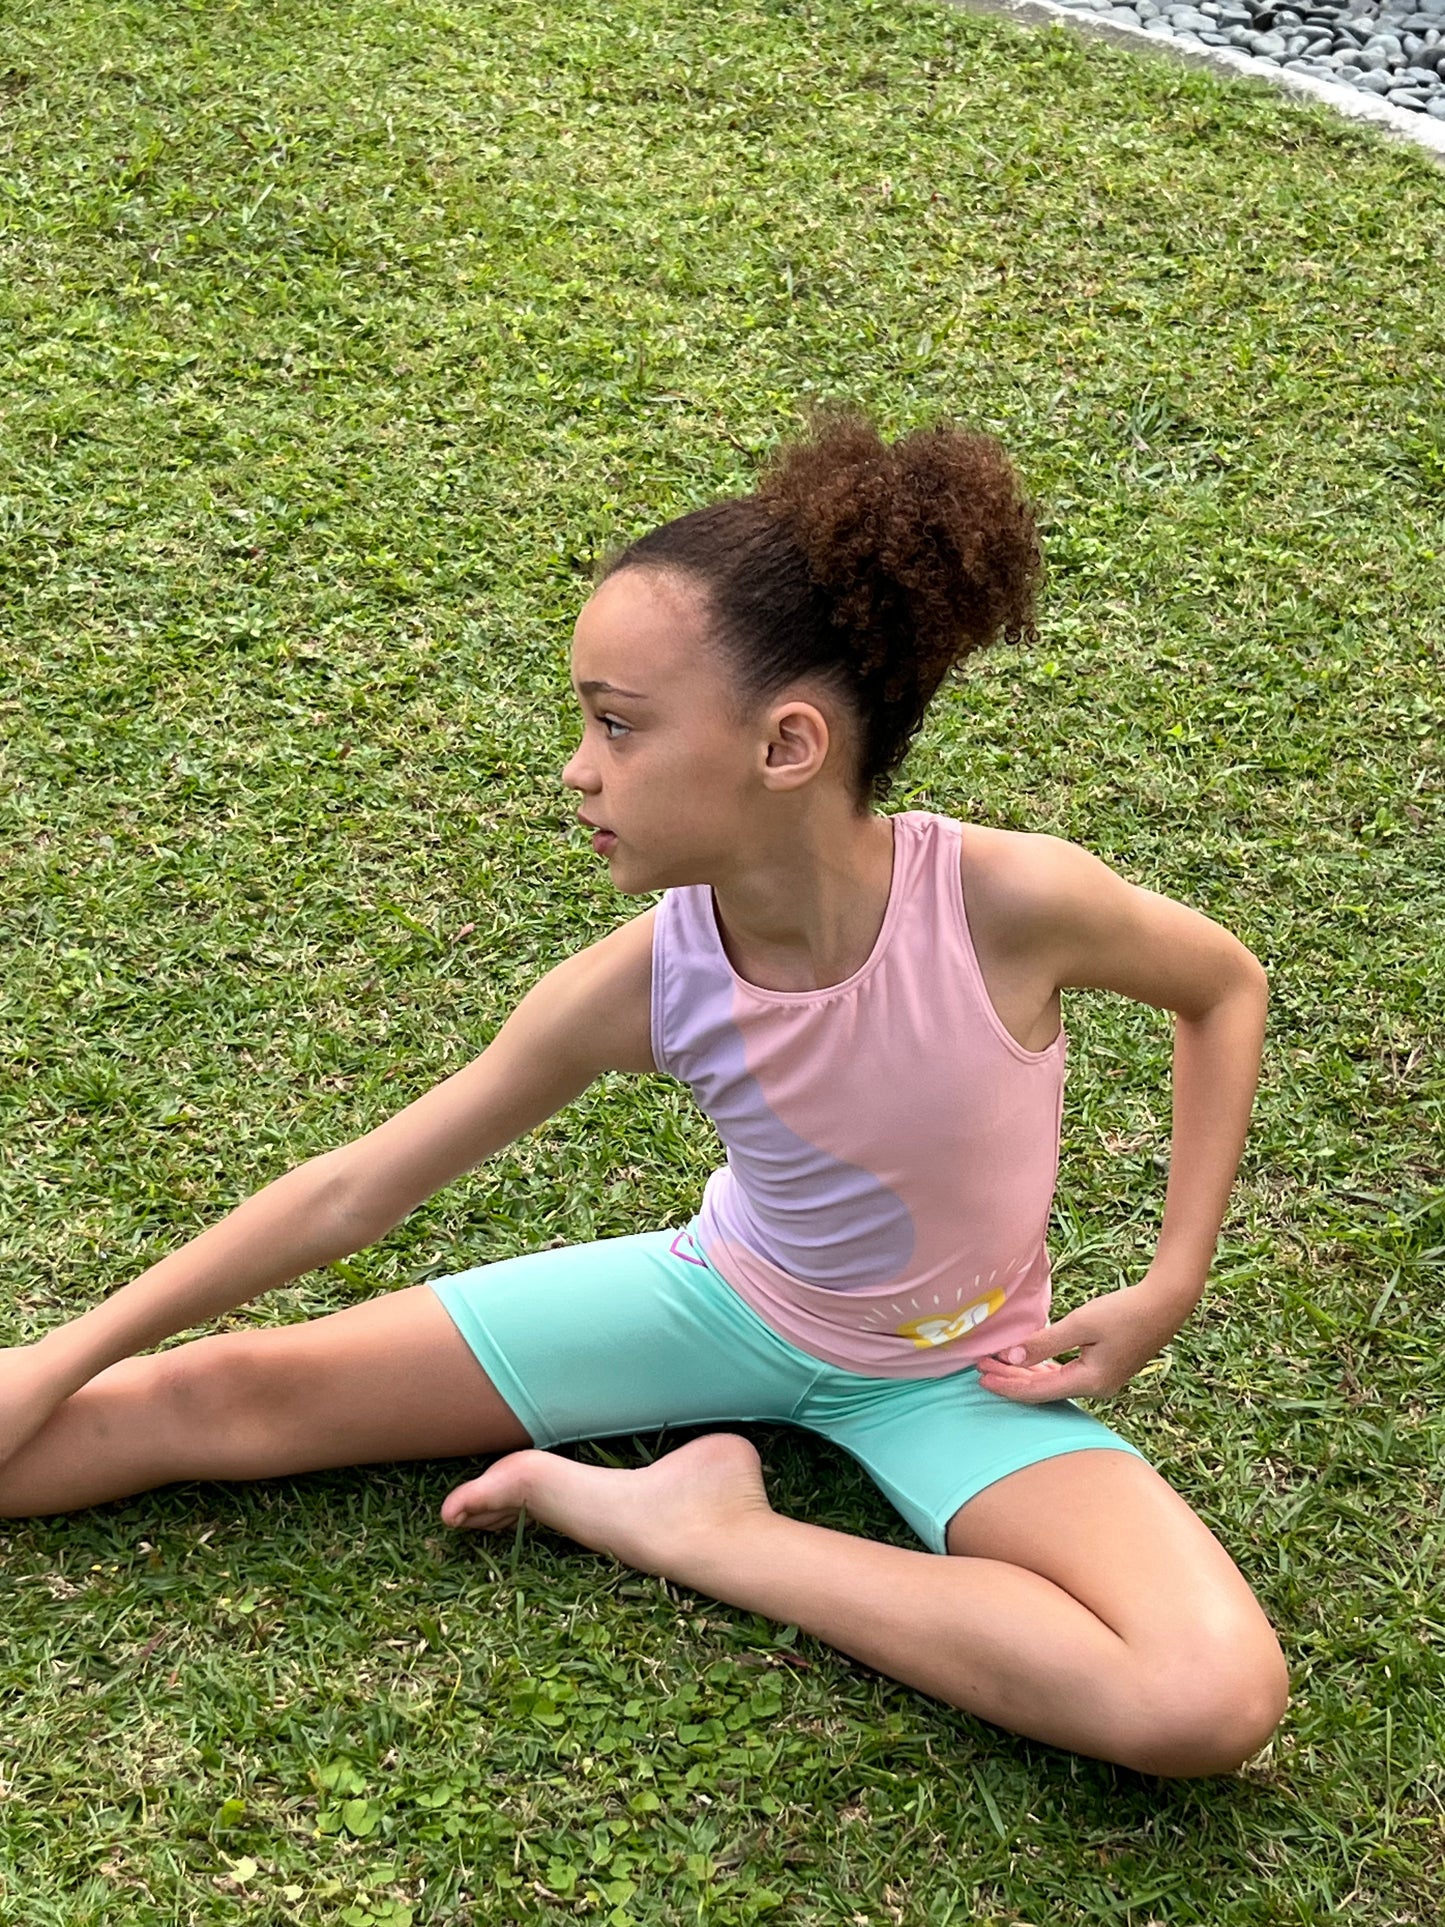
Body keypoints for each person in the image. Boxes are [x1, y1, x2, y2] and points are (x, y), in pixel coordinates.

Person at [0, 414, 1287, 1776]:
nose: (576, 768)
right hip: (714, 1306)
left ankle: (709, 1531)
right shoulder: (641, 984)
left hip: (957, 1378)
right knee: (194, 1406)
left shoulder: (1010, 908)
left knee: (1200, 1702)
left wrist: (1170, 1279)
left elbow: (1222, 987)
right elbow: (354, 1188)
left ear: (786, 745)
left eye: (617, 726)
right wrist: (60, 1359)